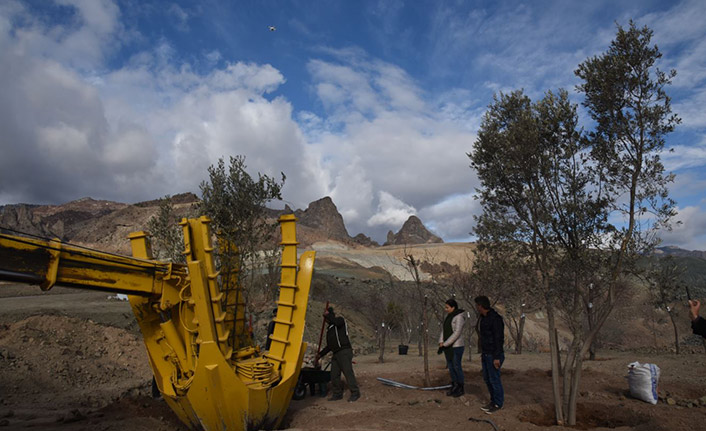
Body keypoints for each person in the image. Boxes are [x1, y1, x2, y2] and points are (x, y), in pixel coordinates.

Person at [315, 307, 360, 402]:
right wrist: (320, 354)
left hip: (344, 351)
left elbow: (336, 322)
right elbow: (330, 346)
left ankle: (355, 392)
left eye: (327, 318)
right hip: (336, 353)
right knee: (334, 374)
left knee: (347, 372)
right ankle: (337, 393)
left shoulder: (339, 321)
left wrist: (328, 314)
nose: (326, 320)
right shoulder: (329, 330)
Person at [475, 295, 505, 414]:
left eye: (477, 305)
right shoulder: (483, 318)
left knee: (494, 379)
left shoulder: (495, 319)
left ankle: (498, 403)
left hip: (494, 355)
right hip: (486, 353)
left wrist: (496, 357)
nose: (476, 308)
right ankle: (493, 401)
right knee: (487, 379)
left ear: (481, 306)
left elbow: (498, 339)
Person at [438, 299, 466, 397]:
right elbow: (444, 330)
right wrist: (441, 341)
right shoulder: (449, 317)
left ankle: (460, 387)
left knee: (456, 366)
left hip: (456, 346)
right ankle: (454, 385)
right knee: (451, 367)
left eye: (447, 307)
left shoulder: (459, 317)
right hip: (448, 347)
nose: (446, 309)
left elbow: (457, 333)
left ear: (453, 307)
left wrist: (446, 343)